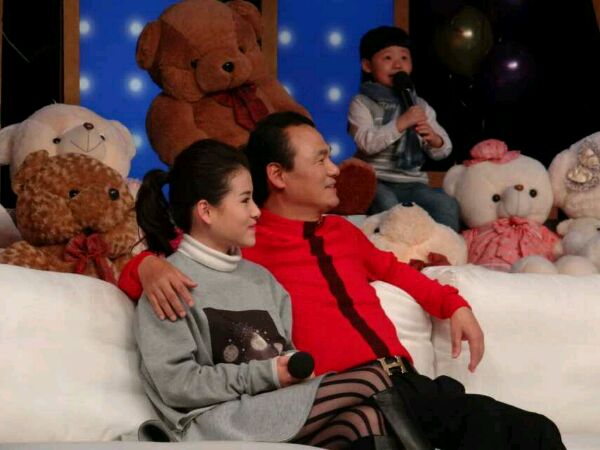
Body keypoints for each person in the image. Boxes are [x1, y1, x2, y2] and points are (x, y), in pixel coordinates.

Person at [121, 113, 565, 449]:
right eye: (320, 159)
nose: (336, 169)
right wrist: (145, 266)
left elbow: (397, 272)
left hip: (405, 384)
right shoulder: (244, 242)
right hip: (344, 392)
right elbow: (183, 261)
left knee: (536, 432)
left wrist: (454, 303)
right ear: (277, 175)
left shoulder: (342, 234)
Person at [133, 139, 413, 449]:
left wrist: (290, 371)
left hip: (269, 409)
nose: (256, 212)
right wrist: (267, 374)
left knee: (362, 420)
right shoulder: (168, 284)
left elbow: (283, 353)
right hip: (213, 422)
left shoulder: (262, 279)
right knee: (374, 377)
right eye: (245, 200)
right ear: (206, 211)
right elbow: (178, 384)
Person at [347, 26, 460, 231]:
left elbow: (443, 151)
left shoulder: (419, 105)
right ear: (367, 65)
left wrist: (434, 139)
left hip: (412, 183)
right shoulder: (362, 103)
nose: (398, 64)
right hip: (376, 181)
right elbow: (366, 144)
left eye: (404, 58)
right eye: (388, 58)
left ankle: (444, 248)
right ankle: (390, 249)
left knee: (446, 204)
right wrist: (401, 123)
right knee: (389, 205)